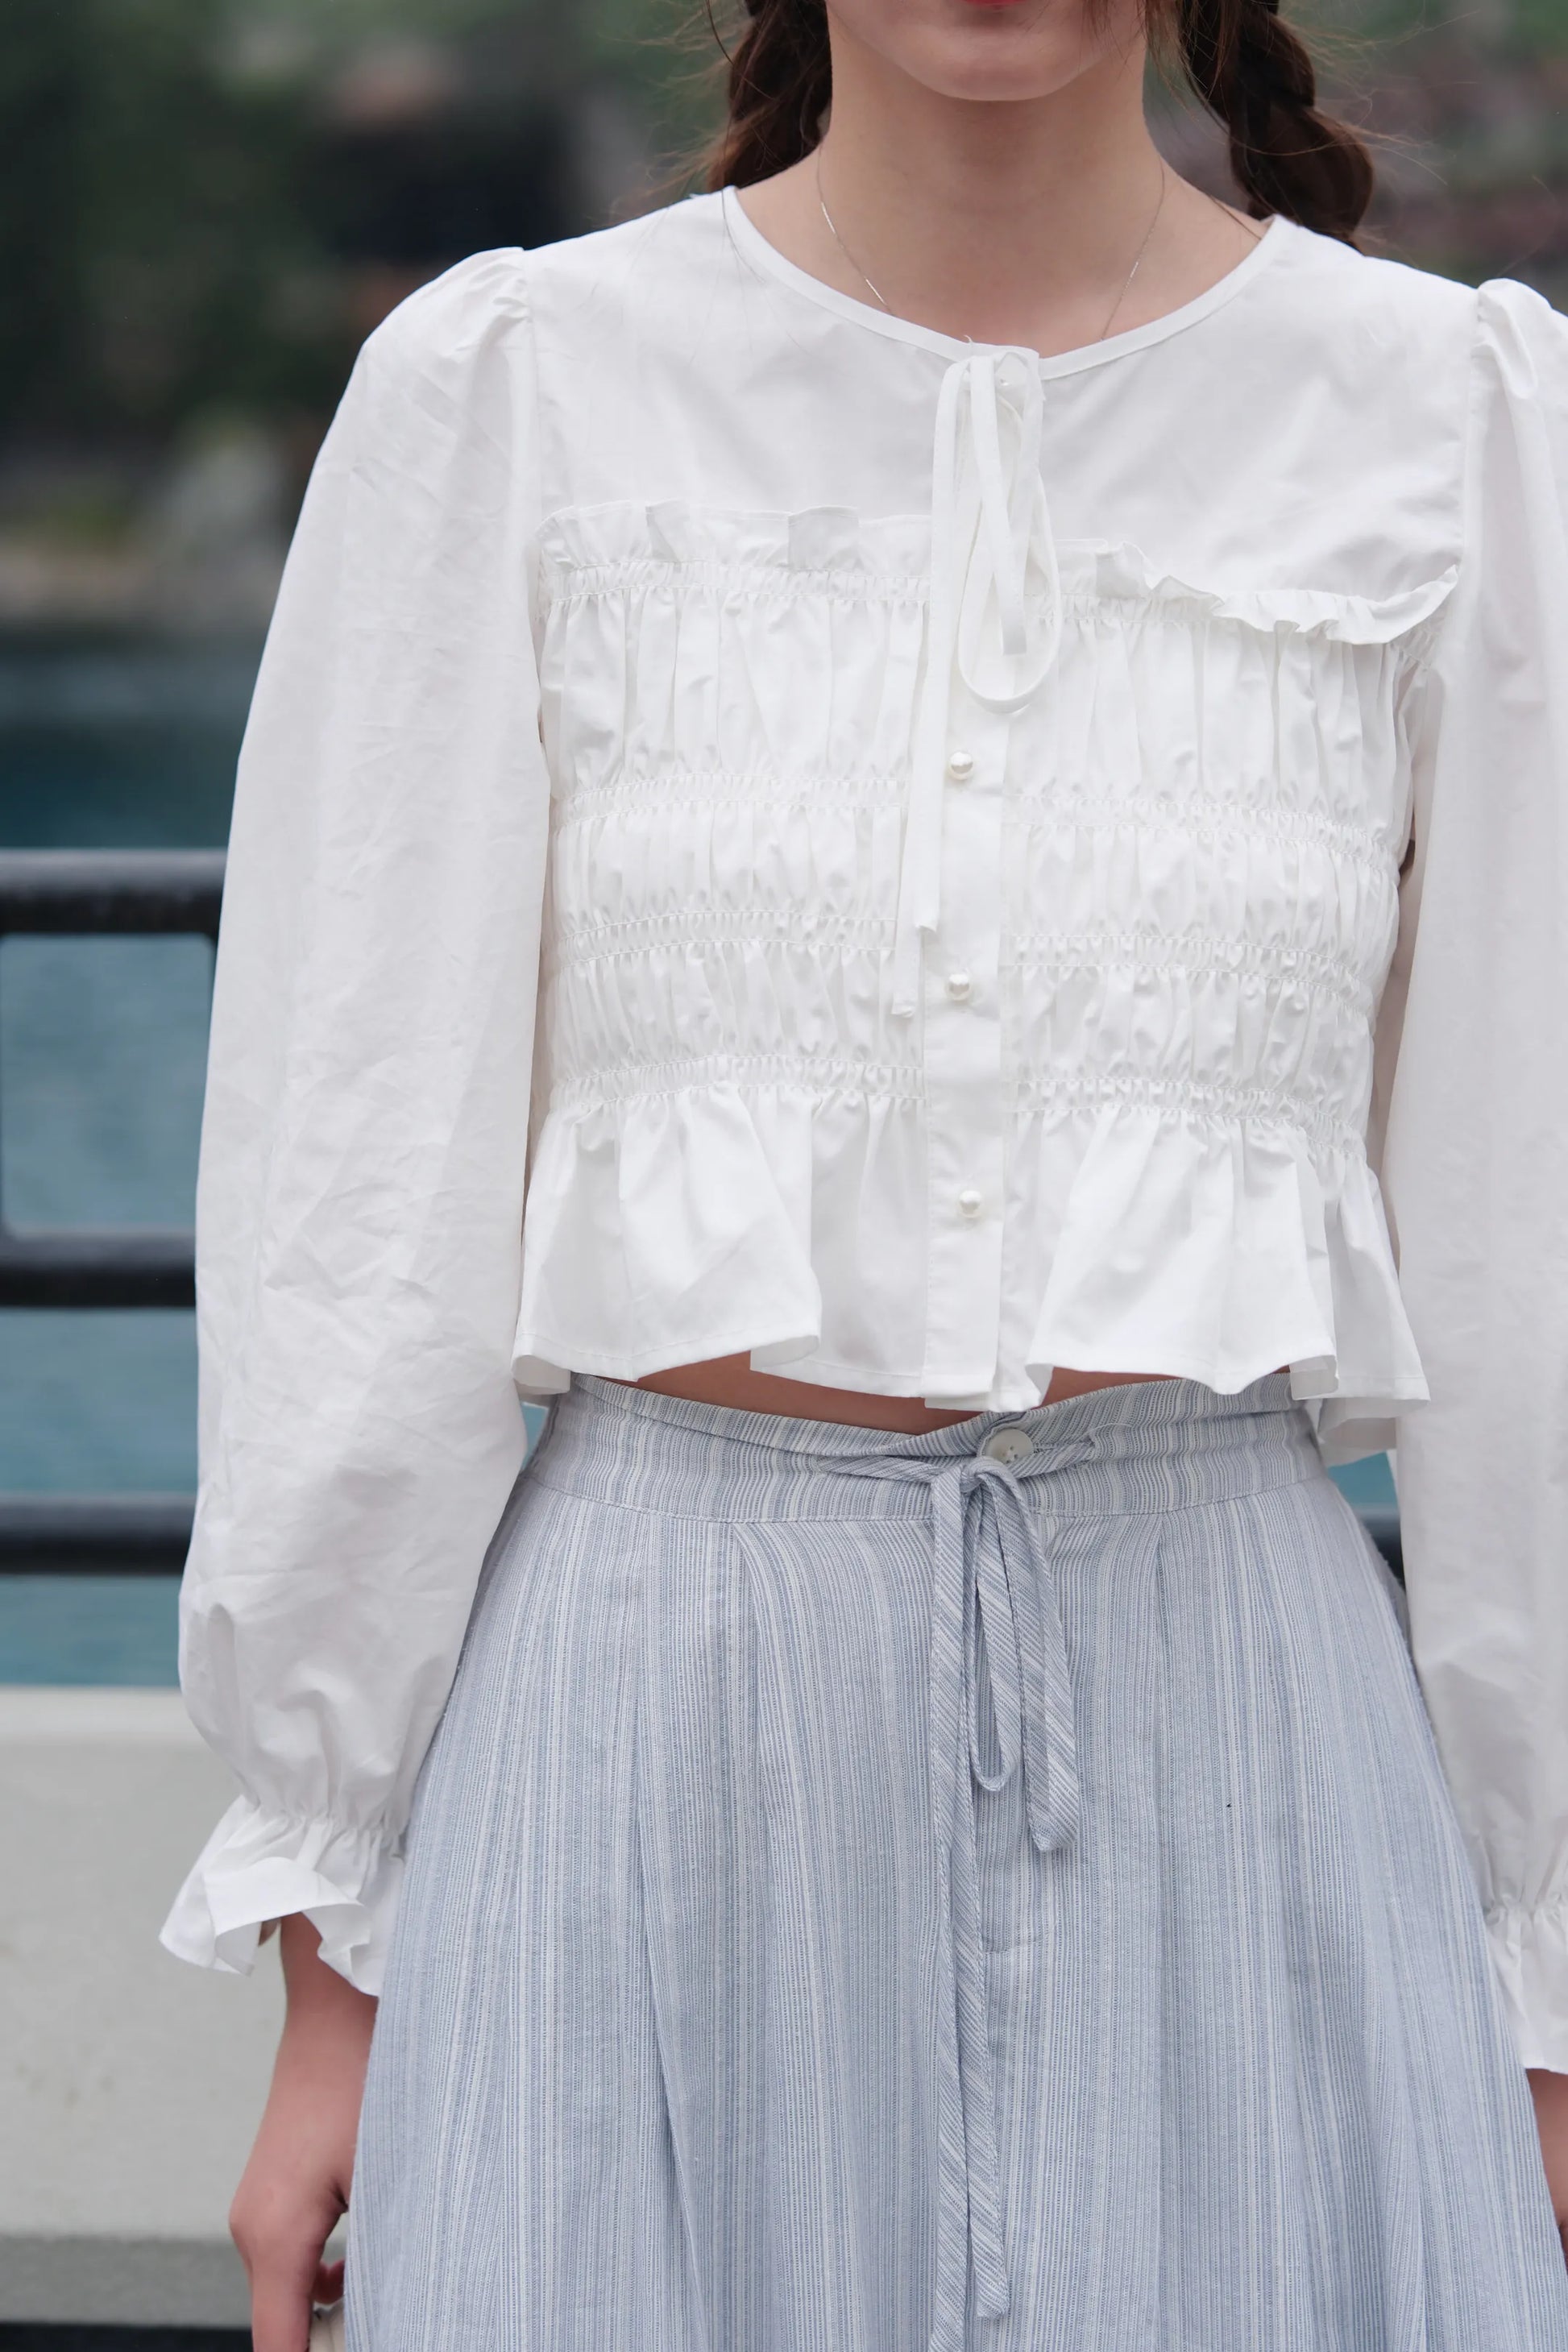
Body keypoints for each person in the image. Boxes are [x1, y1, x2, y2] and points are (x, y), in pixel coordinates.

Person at [159, 0, 1568, 2343]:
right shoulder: (516, 390)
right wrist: (338, 1944)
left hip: (1234, 1724)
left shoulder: (1465, 420)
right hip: (645, 1726)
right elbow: (358, 1207)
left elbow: (1536, 1237)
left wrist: (1547, 1963)